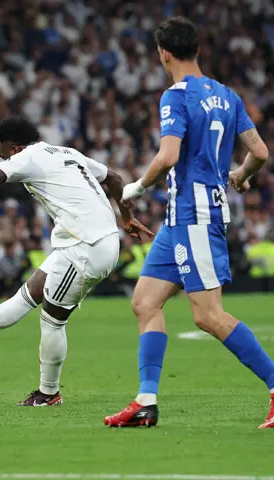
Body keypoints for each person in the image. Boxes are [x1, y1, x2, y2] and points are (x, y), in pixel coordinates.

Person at [0, 116, 152, 406]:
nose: (2, 160)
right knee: (27, 295)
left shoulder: (26, 158)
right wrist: (126, 217)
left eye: (2, 154)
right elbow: (114, 179)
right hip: (88, 240)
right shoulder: (66, 152)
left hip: (85, 246)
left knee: (52, 320)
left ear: (13, 148)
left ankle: (48, 394)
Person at [107, 17, 274, 428]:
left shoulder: (174, 96)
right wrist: (239, 173)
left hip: (195, 216)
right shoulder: (226, 95)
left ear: (163, 53)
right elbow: (261, 152)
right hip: (180, 219)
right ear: (196, 50)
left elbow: (167, 157)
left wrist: (136, 188)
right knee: (145, 302)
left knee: (208, 315)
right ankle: (146, 401)